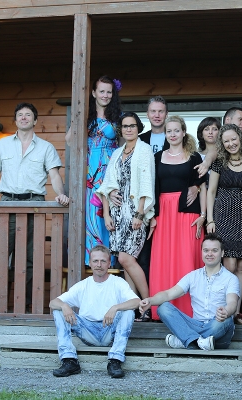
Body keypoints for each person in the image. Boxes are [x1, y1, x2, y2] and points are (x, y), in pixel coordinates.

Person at [0, 102, 69, 307]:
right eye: (20, 115)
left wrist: (61, 195)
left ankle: (27, 304)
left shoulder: (46, 147)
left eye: (28, 115)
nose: (24, 117)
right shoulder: (2, 144)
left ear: (35, 120)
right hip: (7, 204)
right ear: (15, 120)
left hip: (35, 205)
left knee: (31, 258)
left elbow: (55, 175)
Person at [97, 112, 155, 321]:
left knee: (126, 258)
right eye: (125, 126)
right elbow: (106, 186)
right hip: (117, 214)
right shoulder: (117, 153)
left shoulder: (144, 150)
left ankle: (147, 305)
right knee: (126, 264)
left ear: (138, 128)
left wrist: (140, 213)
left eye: (132, 125)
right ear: (120, 130)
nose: (128, 129)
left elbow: (147, 183)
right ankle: (134, 308)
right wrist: (106, 214)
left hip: (135, 214)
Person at [49, 245, 138, 378]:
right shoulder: (82, 285)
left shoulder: (118, 282)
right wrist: (64, 305)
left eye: (103, 261)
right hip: (87, 331)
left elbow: (136, 302)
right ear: (90, 263)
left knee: (128, 311)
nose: (99, 265)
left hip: (109, 330)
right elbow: (52, 303)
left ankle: (115, 360)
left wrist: (115, 307)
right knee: (58, 310)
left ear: (109, 263)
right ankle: (69, 360)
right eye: (95, 261)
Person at [139, 233, 240, 350]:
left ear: (222, 253)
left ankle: (186, 340)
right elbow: (168, 294)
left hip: (217, 329)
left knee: (226, 320)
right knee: (163, 308)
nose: (210, 254)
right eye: (206, 250)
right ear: (201, 252)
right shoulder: (192, 276)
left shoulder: (231, 278)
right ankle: (197, 341)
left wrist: (226, 312)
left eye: (214, 250)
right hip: (195, 325)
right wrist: (150, 300)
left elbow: (232, 303)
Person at [150, 116, 208, 319]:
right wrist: (151, 215)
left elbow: (203, 187)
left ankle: (190, 310)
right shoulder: (157, 157)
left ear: (184, 132)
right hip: (164, 214)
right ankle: (162, 310)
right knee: (164, 259)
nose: (173, 134)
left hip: (187, 213)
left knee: (187, 258)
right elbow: (151, 187)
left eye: (176, 130)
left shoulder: (194, 157)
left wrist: (203, 215)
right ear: (165, 134)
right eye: (169, 131)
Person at [206, 124, 242, 325]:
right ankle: (225, 310)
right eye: (226, 141)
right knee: (229, 265)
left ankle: (236, 312)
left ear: (239, 138)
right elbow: (211, 191)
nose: (231, 144)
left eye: (233, 139)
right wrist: (210, 219)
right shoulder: (219, 162)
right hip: (224, 216)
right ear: (222, 143)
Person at [65, 76, 122, 266]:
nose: (105, 95)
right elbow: (69, 140)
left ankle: (110, 262)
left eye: (109, 92)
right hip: (91, 172)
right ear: (94, 93)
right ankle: (90, 261)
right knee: (91, 213)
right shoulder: (85, 115)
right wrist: (78, 117)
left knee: (111, 213)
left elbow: (124, 146)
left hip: (111, 170)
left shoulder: (117, 117)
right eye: (102, 91)